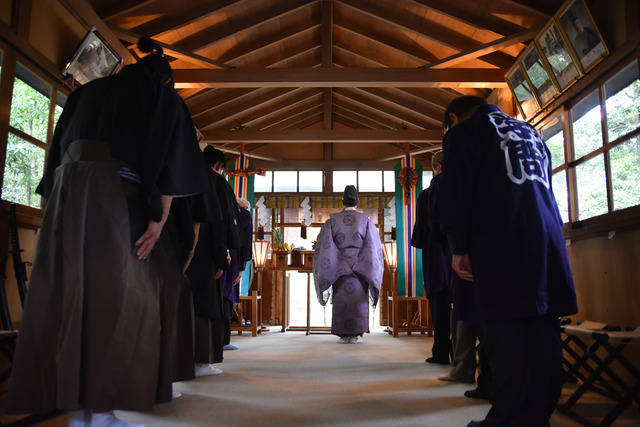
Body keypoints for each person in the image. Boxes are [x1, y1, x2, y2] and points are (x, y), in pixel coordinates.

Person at [5, 37, 211, 426]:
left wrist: (53, 215)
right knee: (118, 301)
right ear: (165, 80)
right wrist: (160, 220)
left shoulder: (88, 92)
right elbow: (171, 162)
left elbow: (55, 155)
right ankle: (100, 412)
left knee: (66, 299)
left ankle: (77, 408)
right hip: (115, 198)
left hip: (67, 197)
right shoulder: (160, 95)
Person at [434, 95, 578, 427]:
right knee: (542, 325)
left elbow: (458, 189)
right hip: (546, 236)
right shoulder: (531, 133)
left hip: (502, 234)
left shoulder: (466, 132)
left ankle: (507, 418)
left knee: (503, 327)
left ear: (454, 119)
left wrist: (458, 246)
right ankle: (537, 416)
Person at [186, 146, 241, 375]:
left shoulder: (185, 176)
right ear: (218, 167)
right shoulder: (216, 184)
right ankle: (200, 362)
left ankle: (179, 363)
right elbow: (221, 222)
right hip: (204, 252)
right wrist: (222, 259)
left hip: (177, 249)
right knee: (203, 306)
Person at [313, 185, 384, 343]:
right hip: (362, 267)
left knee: (342, 300)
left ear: (342, 201)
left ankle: (343, 335)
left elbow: (325, 246)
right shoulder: (366, 221)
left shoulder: (332, 221)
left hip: (338, 267)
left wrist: (340, 264)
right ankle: (356, 334)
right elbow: (373, 247)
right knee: (358, 300)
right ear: (358, 202)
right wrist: (361, 264)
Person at [411, 151, 452, 365]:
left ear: (435, 167)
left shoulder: (426, 195)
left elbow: (419, 238)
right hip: (461, 256)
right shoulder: (461, 189)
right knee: (464, 306)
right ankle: (465, 353)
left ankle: (441, 352)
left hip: (436, 257)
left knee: (440, 306)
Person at [220, 197, 253, 351]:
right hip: (233, 257)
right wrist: (241, 267)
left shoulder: (219, 208)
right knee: (226, 297)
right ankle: (224, 339)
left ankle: (215, 339)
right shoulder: (243, 215)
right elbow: (246, 241)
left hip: (213, 253)